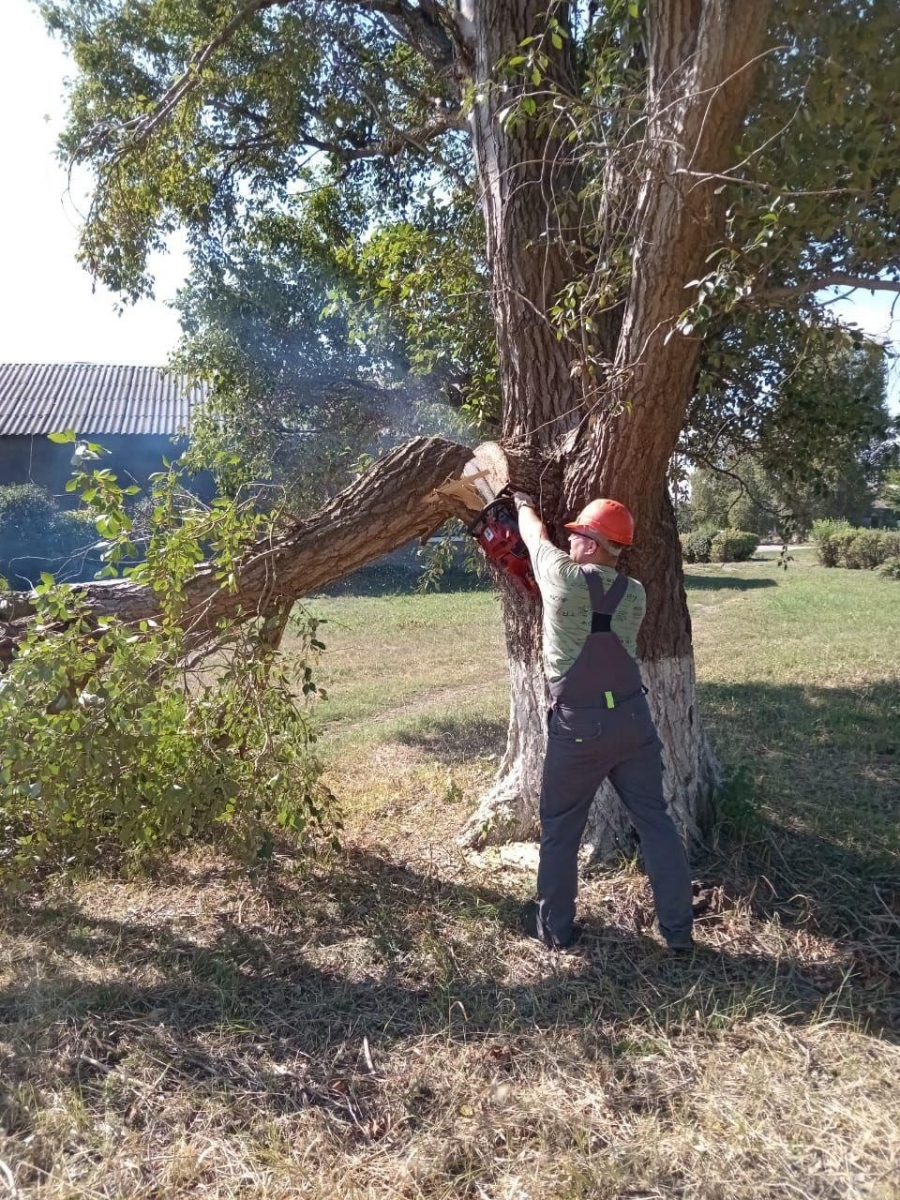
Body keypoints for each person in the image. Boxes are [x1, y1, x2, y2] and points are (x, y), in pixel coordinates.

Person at [513, 492, 694, 952]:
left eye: (576, 534)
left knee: (560, 829)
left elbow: (533, 536)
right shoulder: (635, 593)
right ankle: (678, 932)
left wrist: (520, 503)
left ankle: (555, 931)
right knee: (656, 822)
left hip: (580, 727)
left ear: (592, 544)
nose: (569, 540)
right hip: (635, 721)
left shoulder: (563, 578)